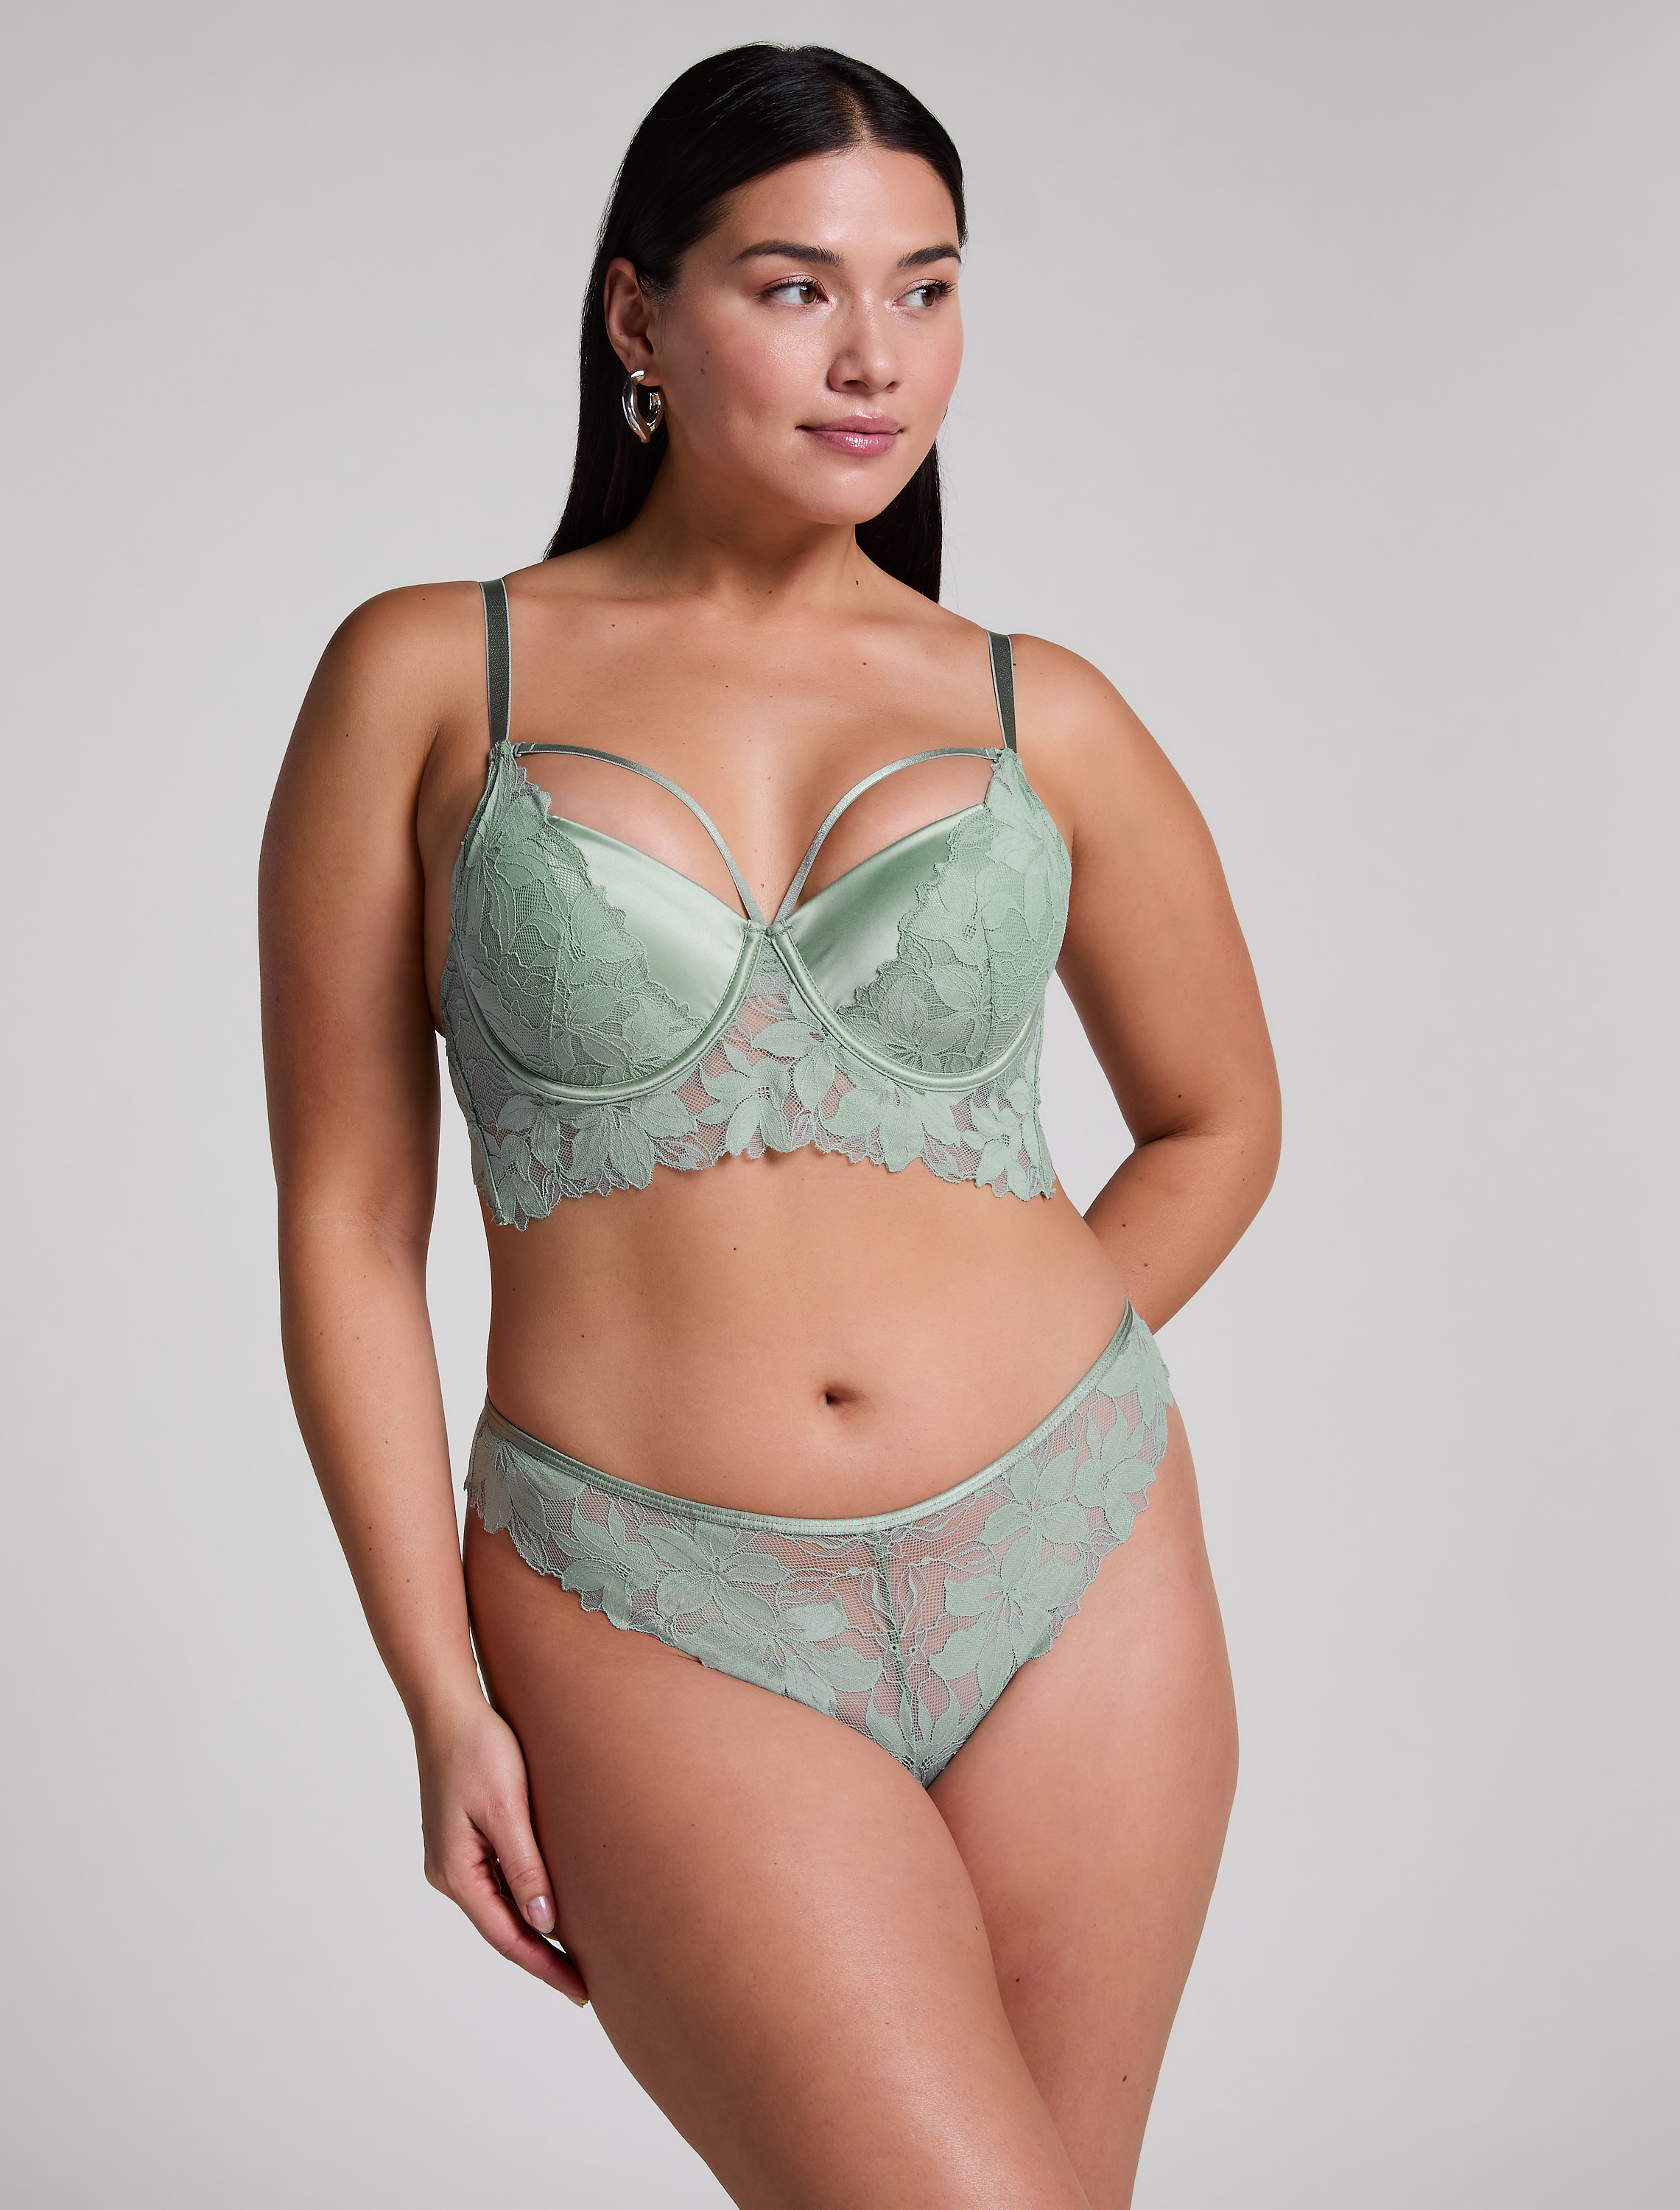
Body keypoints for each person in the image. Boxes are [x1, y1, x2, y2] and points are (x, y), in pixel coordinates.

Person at [259, 42, 1279, 2210]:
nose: (874, 356)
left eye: (927, 288)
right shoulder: (430, 680)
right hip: (645, 1591)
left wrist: (1022, 1361)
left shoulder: (1036, 708)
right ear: (638, 316)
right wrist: (438, 1693)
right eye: (795, 286)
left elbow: (1218, 1121)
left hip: (1075, 1552)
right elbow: (347, 1225)